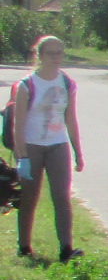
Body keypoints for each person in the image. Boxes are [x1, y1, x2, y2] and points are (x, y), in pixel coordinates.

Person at [12, 35, 84, 262]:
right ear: (40, 56)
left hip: (57, 145)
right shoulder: (27, 85)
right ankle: (24, 246)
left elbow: (71, 118)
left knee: (62, 196)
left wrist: (78, 151)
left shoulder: (67, 83)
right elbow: (18, 124)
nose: (55, 57)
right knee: (29, 197)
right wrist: (22, 157)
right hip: (31, 146)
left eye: (59, 52)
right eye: (50, 53)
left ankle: (66, 248)